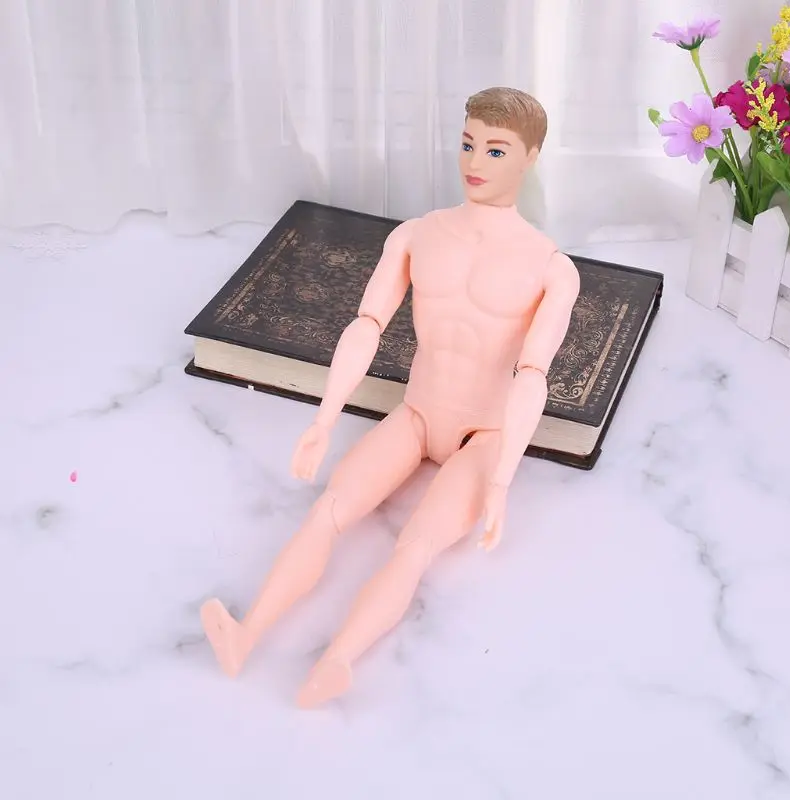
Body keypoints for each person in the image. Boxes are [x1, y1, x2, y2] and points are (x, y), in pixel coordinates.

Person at [201, 86, 581, 707]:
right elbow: (366, 326)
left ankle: (338, 660)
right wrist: (325, 418)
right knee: (330, 509)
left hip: (485, 432)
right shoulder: (416, 236)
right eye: (467, 143)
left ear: (530, 157)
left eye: (495, 149)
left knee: (415, 547)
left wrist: (501, 480)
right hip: (418, 411)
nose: (474, 161)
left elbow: (533, 375)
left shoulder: (550, 268)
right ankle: (245, 636)